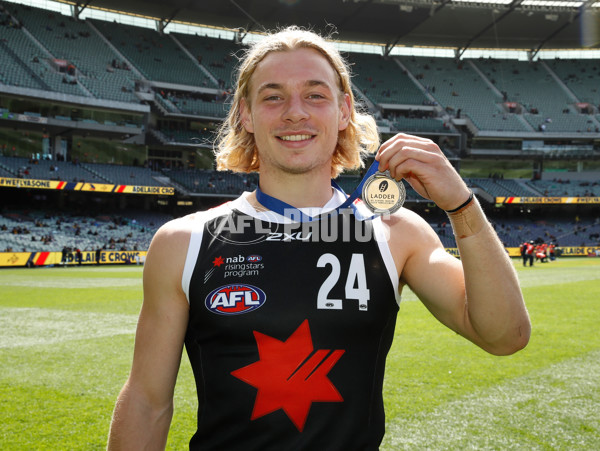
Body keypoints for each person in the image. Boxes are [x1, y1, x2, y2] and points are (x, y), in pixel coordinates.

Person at [107, 26, 530, 450]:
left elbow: (504, 335)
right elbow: (146, 402)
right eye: (273, 96)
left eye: (315, 95)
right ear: (246, 114)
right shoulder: (185, 240)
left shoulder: (393, 233)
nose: (295, 113)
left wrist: (461, 205)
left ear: (344, 110)